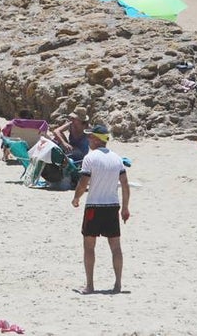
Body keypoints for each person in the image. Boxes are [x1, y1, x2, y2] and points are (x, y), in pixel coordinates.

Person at [71, 124, 130, 294]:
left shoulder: (90, 158)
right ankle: (118, 284)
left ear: (97, 139)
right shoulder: (117, 158)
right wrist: (125, 207)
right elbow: (125, 185)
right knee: (115, 246)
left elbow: (83, 183)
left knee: (89, 246)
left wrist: (76, 198)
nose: (88, 139)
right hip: (112, 206)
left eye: (91, 137)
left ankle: (90, 285)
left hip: (94, 207)